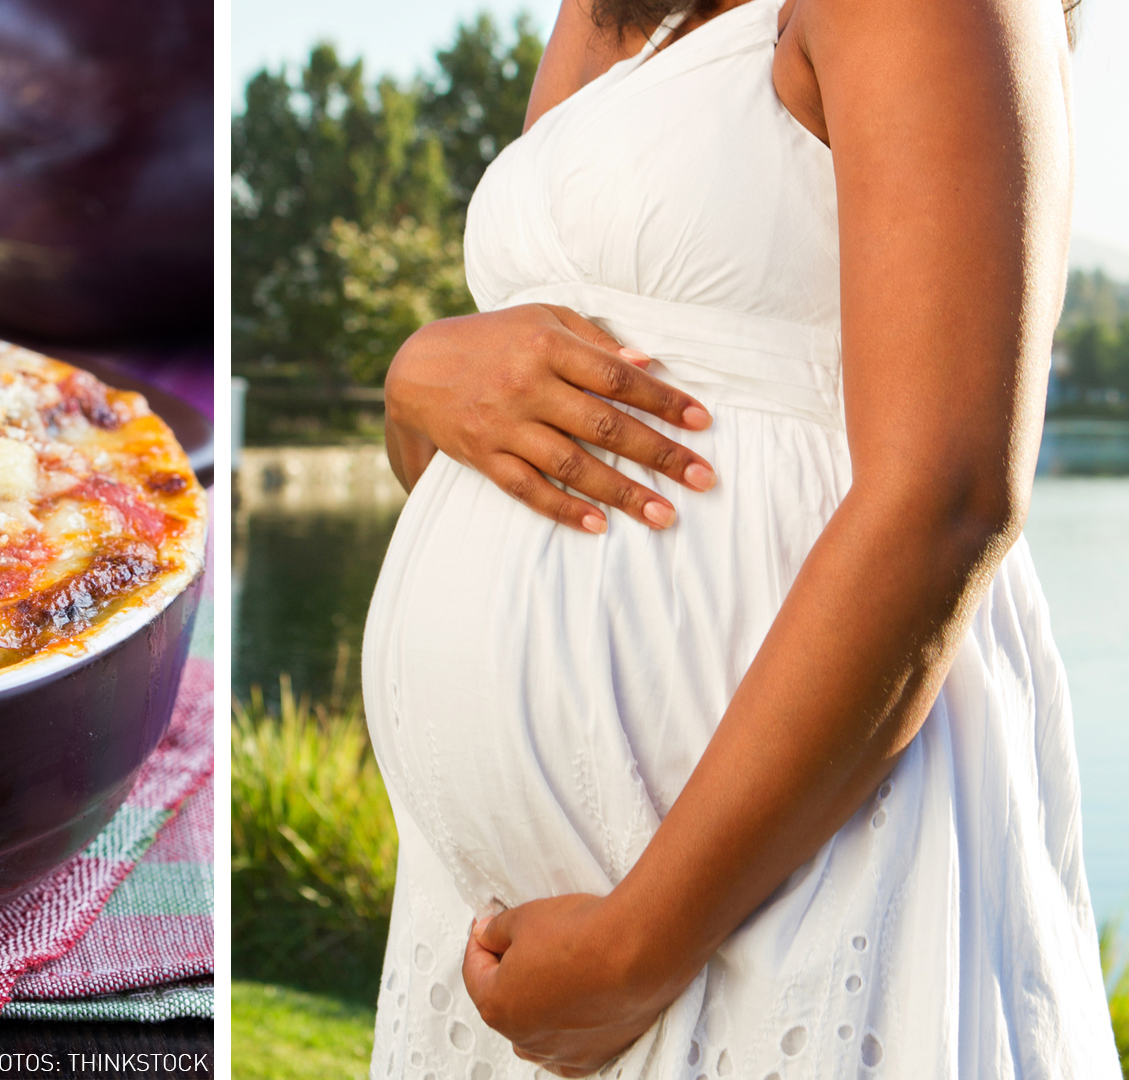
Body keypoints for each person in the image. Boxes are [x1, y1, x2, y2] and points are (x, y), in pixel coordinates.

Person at [360, 0, 1115, 1072]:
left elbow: (950, 498)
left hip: (759, 898)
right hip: (489, 926)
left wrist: (637, 947)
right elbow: (504, 453)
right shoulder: (614, 14)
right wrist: (419, 379)